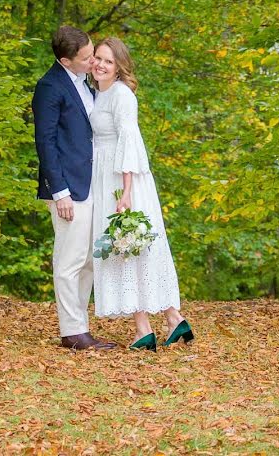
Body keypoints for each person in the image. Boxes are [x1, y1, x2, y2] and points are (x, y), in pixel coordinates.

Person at [88, 37, 194, 351]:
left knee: (132, 246)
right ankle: (170, 320)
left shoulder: (122, 95)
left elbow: (130, 142)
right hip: (106, 176)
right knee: (126, 249)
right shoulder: (99, 93)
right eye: (97, 58)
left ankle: (148, 328)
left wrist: (127, 193)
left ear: (119, 66)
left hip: (124, 180)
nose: (101, 65)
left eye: (108, 61)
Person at [32, 26, 116, 350]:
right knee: (69, 260)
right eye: (86, 57)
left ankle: (80, 327)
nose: (93, 60)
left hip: (93, 184)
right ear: (66, 61)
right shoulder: (49, 87)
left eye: (93, 51)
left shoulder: (88, 85)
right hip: (67, 190)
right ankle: (71, 331)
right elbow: (46, 143)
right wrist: (59, 192)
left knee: (89, 260)